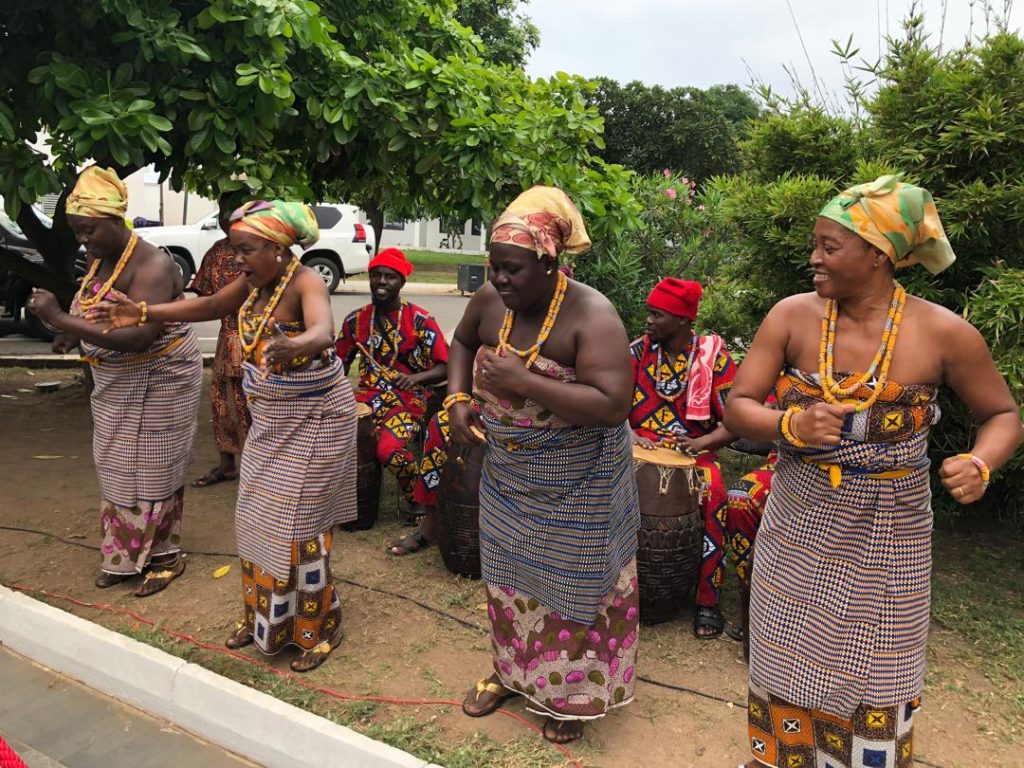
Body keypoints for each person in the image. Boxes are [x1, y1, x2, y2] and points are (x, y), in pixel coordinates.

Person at [723, 175, 1023, 768]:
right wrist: (791, 427)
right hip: (798, 519)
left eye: (829, 247)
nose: (814, 258)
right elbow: (739, 404)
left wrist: (981, 462)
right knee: (785, 652)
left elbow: (1002, 414)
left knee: (879, 667)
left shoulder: (944, 333)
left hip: (892, 529)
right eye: (815, 244)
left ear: (879, 253)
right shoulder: (792, 317)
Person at [89, 199, 358, 672]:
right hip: (274, 421)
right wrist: (144, 311)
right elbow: (211, 304)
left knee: (298, 525)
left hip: (317, 420)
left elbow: (323, 330)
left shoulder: (306, 281)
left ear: (277, 248)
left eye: (246, 249)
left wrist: (295, 343)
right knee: (254, 516)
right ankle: (265, 620)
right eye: (235, 249)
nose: (237, 259)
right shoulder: (255, 284)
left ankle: (320, 627)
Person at [448, 186, 640, 745]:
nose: (499, 279)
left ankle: (571, 693)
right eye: (494, 267)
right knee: (508, 576)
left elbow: (612, 405)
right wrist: (458, 399)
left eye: (512, 269)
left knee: (574, 584)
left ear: (550, 263)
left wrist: (523, 382)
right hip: (510, 475)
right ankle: (514, 672)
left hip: (583, 481)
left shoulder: (592, 315)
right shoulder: (490, 302)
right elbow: (462, 342)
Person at [27, 166, 202, 597]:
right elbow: (94, 305)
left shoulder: (155, 265)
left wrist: (58, 318)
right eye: (77, 232)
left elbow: (140, 336)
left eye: (88, 230)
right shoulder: (100, 257)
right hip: (118, 384)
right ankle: (124, 557)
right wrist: (70, 331)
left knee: (155, 466)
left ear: (114, 220)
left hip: (162, 378)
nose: (83, 240)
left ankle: (163, 557)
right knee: (119, 465)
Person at [628, 277, 738, 638]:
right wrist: (629, 435)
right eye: (649, 313)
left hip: (695, 453)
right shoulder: (638, 353)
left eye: (657, 315)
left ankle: (707, 601)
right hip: (636, 448)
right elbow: (611, 405)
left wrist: (702, 441)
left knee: (715, 491)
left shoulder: (713, 360)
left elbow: (736, 421)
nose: (649, 321)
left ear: (682, 320)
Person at [334, 247, 448, 554]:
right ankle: (346, 504)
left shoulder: (419, 320)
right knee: (334, 441)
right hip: (366, 398)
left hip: (408, 399)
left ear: (401, 281)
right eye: (376, 275)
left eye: (390, 276)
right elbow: (337, 365)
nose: (382, 282)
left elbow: (446, 365)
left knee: (390, 450)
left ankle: (415, 497)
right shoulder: (356, 321)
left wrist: (416, 379)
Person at [190, 195, 251, 488]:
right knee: (221, 404)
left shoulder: (265, 250)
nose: (227, 218)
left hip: (257, 339)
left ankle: (259, 470)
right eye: (223, 213)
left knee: (252, 405)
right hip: (226, 339)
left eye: (234, 212)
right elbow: (204, 295)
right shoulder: (216, 251)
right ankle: (227, 465)